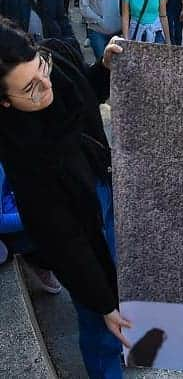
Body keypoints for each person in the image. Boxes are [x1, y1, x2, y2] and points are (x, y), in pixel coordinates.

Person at [0, 19, 132, 379]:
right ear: (5, 102)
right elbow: (64, 239)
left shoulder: (55, 57)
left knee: (125, 278)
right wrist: (103, 304)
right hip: (72, 220)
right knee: (100, 320)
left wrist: (103, 67)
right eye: (30, 89)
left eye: (42, 69)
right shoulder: (23, 153)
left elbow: (86, 94)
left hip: (102, 187)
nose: (47, 85)